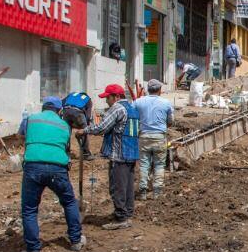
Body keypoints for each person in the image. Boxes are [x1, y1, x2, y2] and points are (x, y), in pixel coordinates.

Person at [16, 96, 83, 252]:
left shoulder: (30, 119)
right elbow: (65, 146)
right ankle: (76, 241)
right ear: (60, 111)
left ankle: (33, 251)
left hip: (33, 166)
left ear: (43, 107)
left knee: (30, 209)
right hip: (57, 167)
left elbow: (20, 137)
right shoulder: (64, 125)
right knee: (69, 202)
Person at [78, 83, 140, 229]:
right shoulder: (132, 109)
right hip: (131, 154)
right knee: (127, 187)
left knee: (117, 187)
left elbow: (102, 127)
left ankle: (121, 218)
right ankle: (127, 213)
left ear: (116, 97)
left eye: (108, 98)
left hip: (119, 155)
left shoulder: (117, 108)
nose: (106, 101)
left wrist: (84, 131)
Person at [134, 78, 174, 198]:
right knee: (159, 165)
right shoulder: (166, 103)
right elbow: (170, 121)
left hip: (144, 136)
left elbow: (132, 116)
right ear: (159, 90)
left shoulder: (138, 102)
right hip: (159, 137)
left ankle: (143, 192)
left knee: (144, 164)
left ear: (148, 89)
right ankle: (157, 192)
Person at [60, 90, 94, 159]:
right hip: (78, 112)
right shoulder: (88, 99)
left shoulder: (72, 95)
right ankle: (86, 154)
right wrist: (85, 126)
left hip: (66, 111)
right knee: (84, 132)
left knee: (67, 132)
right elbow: (88, 116)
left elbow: (61, 103)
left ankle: (66, 152)